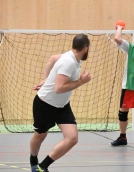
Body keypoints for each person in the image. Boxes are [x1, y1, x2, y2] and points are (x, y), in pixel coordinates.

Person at [30, 34, 92, 172]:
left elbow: (52, 59)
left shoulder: (76, 58)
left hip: (62, 106)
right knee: (40, 136)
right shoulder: (68, 61)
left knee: (72, 138)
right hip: (45, 104)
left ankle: (42, 167)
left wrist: (45, 79)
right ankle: (33, 160)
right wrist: (81, 81)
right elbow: (58, 89)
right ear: (86, 48)